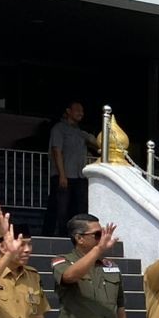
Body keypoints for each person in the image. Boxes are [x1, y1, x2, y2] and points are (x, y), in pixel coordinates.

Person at [43, 101, 99, 235]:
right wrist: (62, 175)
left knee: (78, 209)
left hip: (78, 176)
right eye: (77, 110)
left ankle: (74, 235)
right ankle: (55, 236)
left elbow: (96, 143)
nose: (81, 113)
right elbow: (57, 151)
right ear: (68, 111)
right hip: (63, 176)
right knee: (60, 209)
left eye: (82, 111)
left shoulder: (80, 133)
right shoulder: (59, 129)